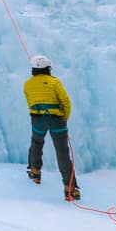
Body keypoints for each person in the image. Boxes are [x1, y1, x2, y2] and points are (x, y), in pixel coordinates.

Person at [23, 55, 81, 201]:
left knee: (36, 143)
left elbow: (29, 101)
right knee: (62, 152)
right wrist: (64, 118)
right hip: (56, 120)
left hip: (37, 120)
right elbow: (66, 102)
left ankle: (35, 171)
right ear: (48, 68)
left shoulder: (27, 84)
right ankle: (70, 189)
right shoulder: (54, 82)